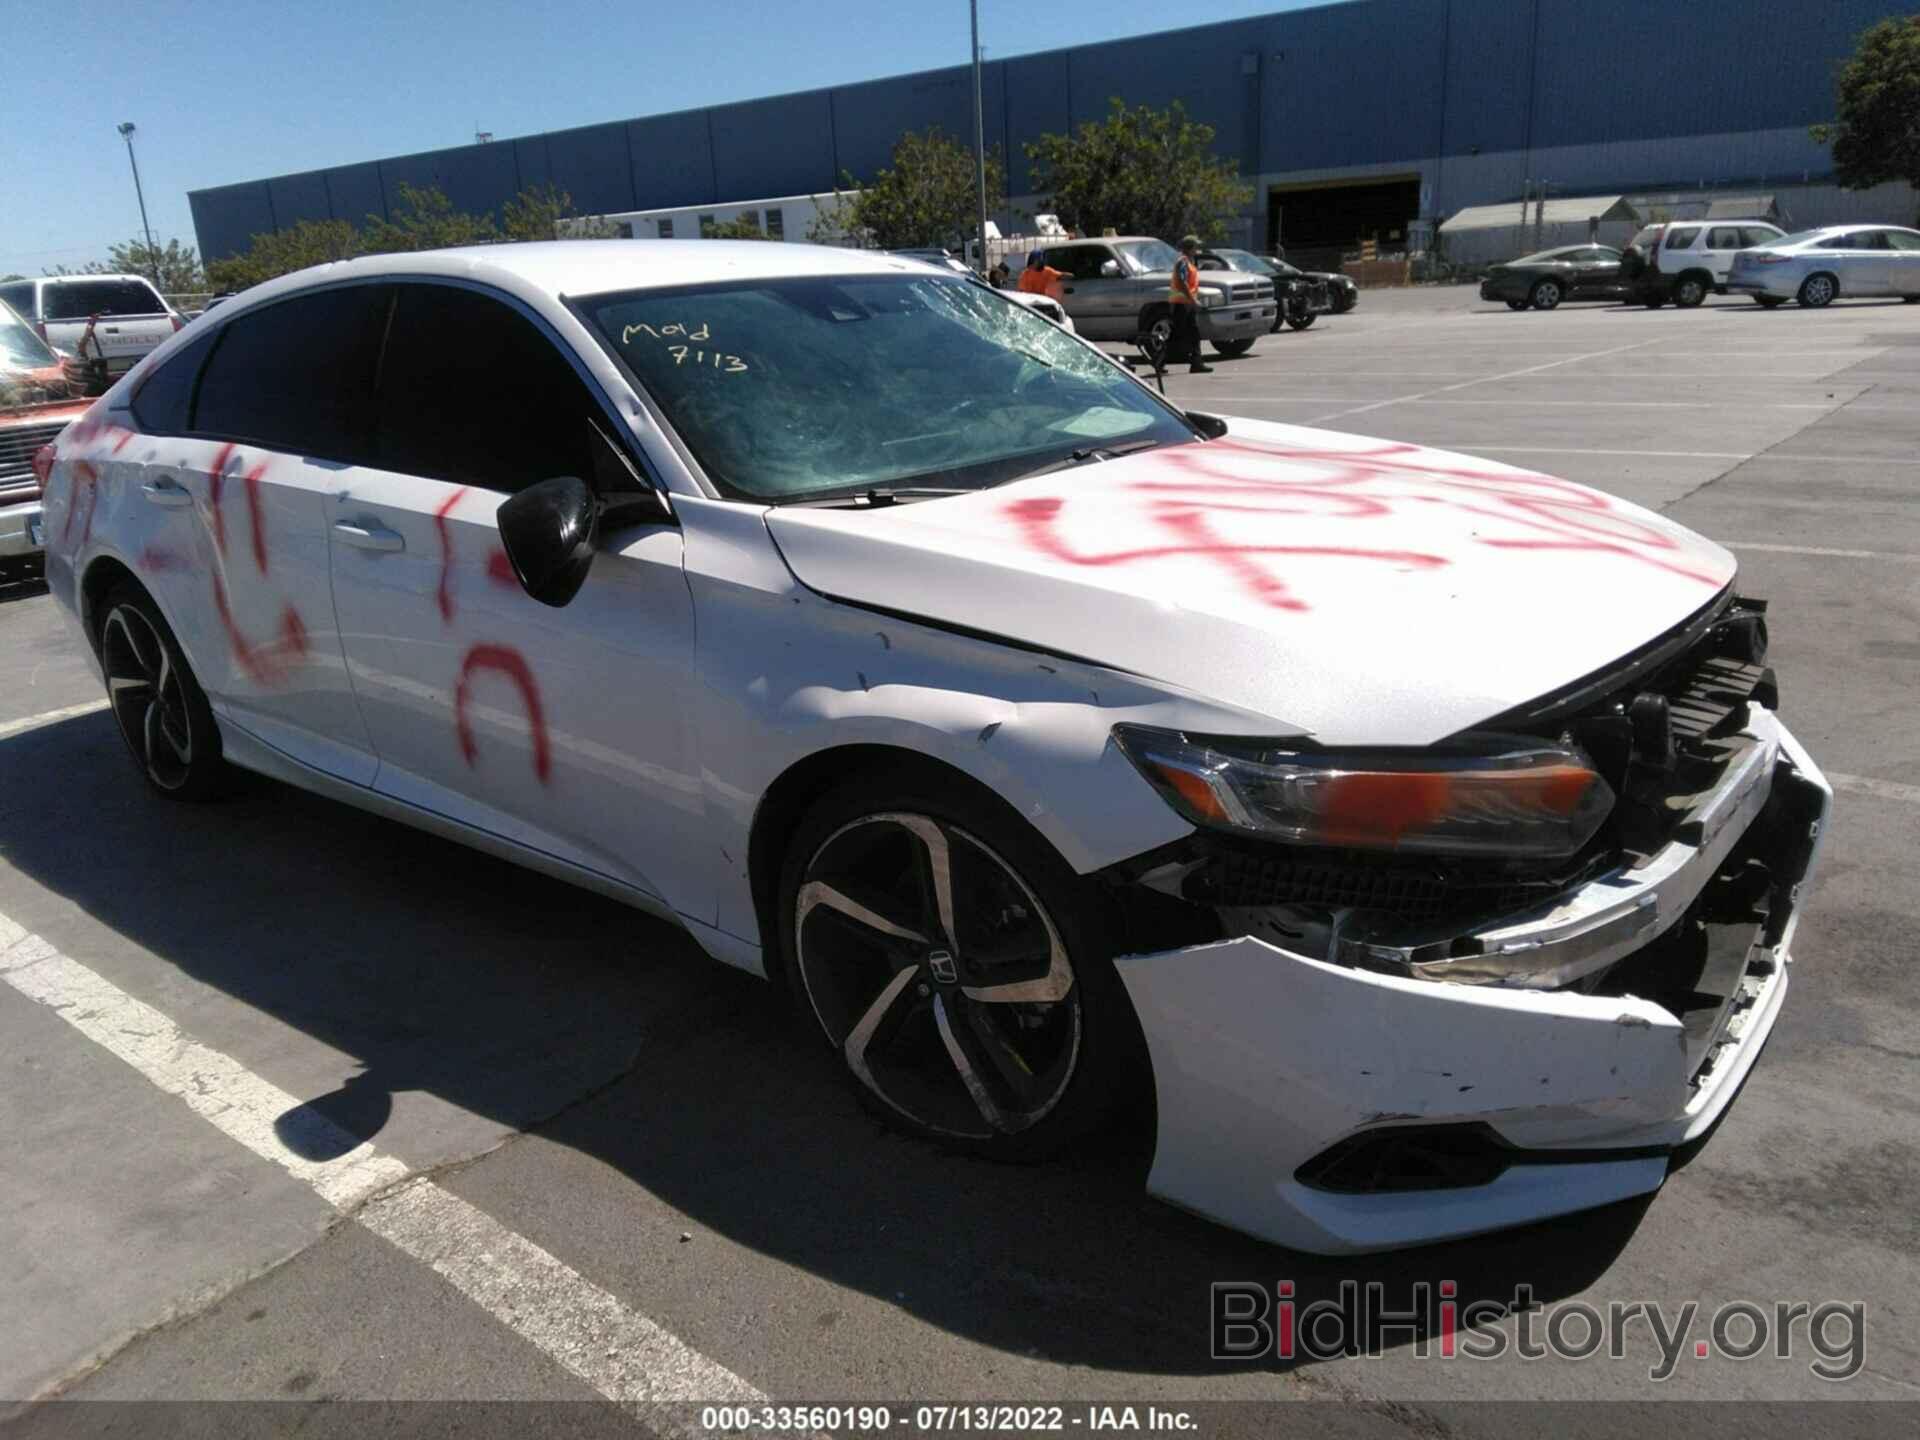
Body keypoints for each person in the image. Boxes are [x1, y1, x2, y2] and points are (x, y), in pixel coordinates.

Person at [1167, 234, 1212, 374]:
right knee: (1177, 335)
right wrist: (1193, 300)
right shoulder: (1183, 262)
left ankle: (1196, 363)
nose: (1197, 249)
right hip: (1182, 303)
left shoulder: (1189, 261)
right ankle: (1159, 361)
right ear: (1189, 248)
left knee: (1194, 333)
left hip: (1187, 303)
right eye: (1195, 246)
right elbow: (1182, 281)